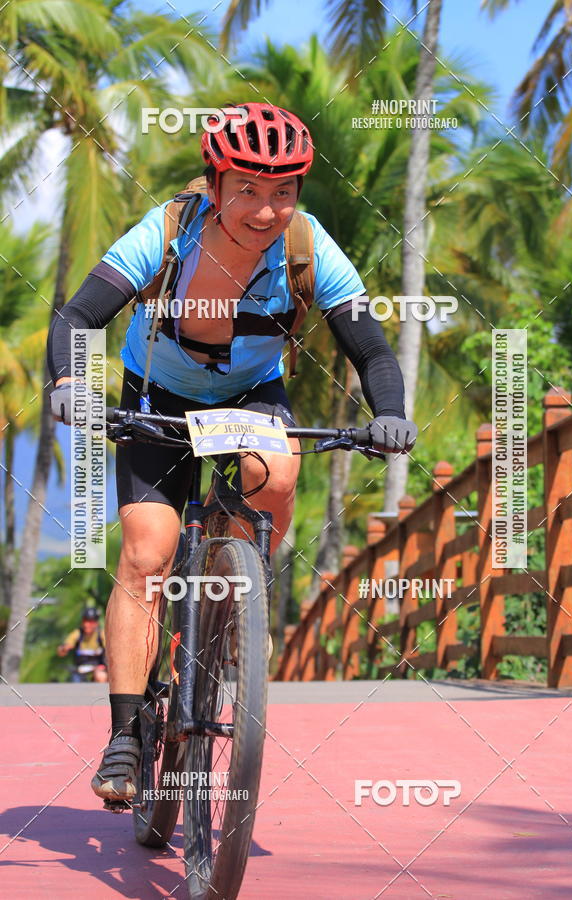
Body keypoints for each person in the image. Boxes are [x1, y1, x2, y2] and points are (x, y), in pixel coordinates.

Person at [47, 102, 417, 804]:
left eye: (283, 192)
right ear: (214, 187)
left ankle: (231, 600)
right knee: (146, 553)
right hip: (154, 395)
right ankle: (126, 735)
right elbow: (76, 315)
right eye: (247, 188)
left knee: (275, 469)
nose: (265, 209)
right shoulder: (166, 233)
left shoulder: (308, 247)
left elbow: (368, 346)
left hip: (250, 395)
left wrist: (390, 415)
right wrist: (68, 382)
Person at [57, 607, 108, 683]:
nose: (86, 624)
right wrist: (64, 648)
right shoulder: (77, 634)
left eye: (90, 622)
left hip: (98, 669)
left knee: (101, 676)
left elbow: (111, 651)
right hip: (80, 671)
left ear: (96, 623)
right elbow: (61, 651)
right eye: (85, 621)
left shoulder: (101, 635)